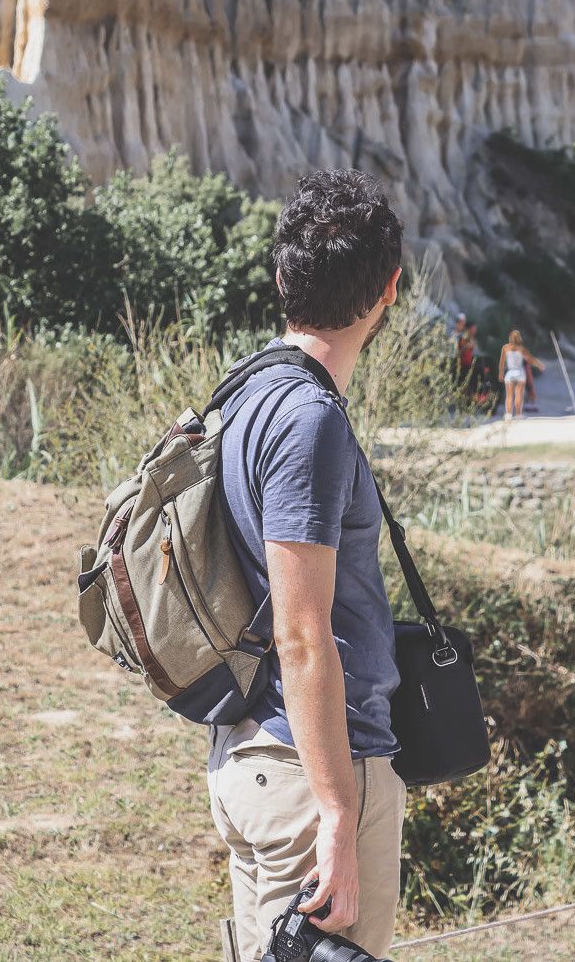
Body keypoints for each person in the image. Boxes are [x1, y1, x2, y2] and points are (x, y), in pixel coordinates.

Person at [208, 169, 408, 962]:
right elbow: (301, 632)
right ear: (389, 290)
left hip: (256, 752)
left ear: (283, 276)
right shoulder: (308, 419)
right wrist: (337, 813)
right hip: (310, 773)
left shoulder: (249, 391)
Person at [499, 329, 545, 420]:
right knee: (519, 394)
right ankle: (518, 414)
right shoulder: (521, 349)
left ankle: (508, 414)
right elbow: (530, 359)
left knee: (509, 395)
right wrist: (540, 365)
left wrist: (501, 373)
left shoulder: (505, 348)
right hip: (520, 373)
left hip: (510, 373)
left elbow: (502, 362)